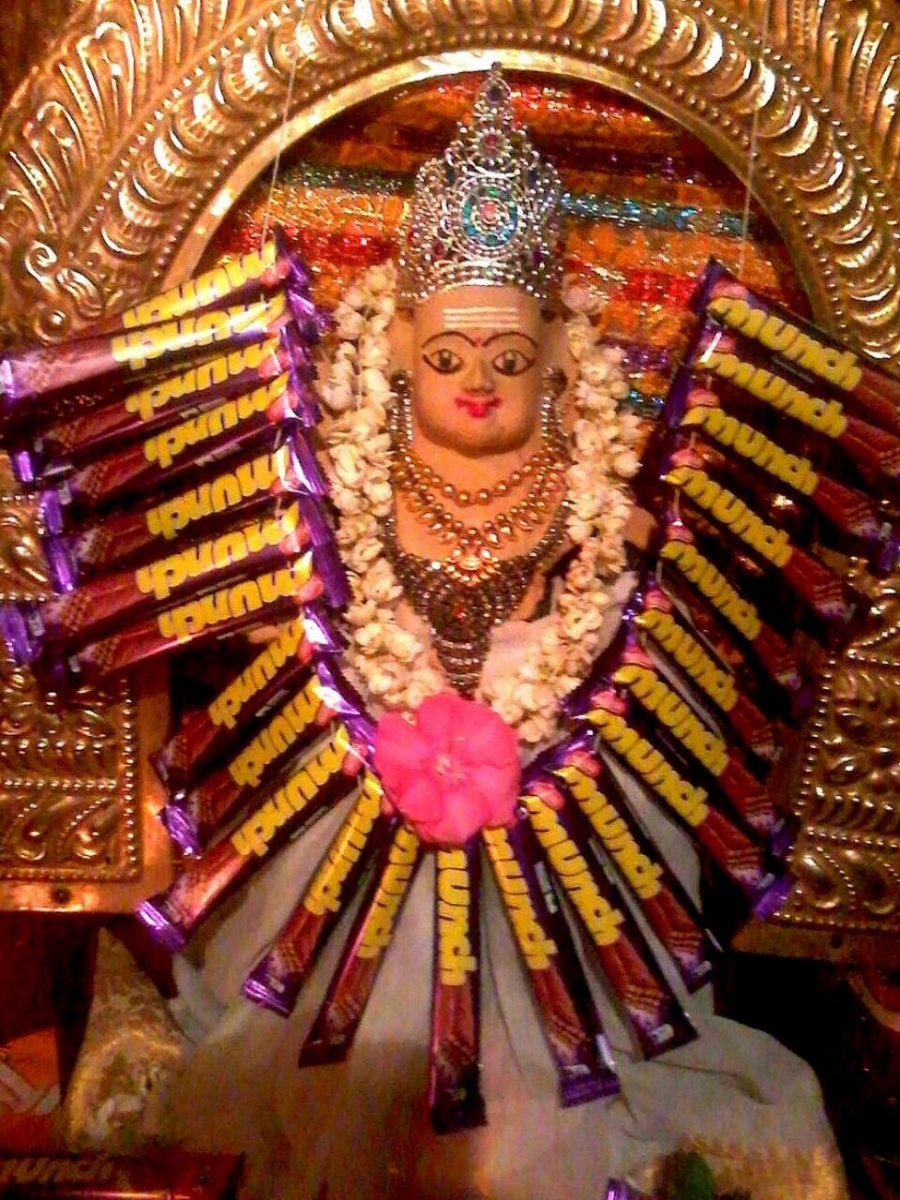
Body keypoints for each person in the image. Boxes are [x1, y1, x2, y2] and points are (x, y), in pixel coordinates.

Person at [140, 68, 845, 1198]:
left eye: (509, 361)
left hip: (564, 844)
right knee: (337, 1077)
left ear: (556, 358)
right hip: (356, 833)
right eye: (450, 357)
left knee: (541, 1102)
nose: (477, 383)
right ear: (400, 344)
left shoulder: (598, 499)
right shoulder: (342, 484)